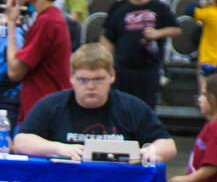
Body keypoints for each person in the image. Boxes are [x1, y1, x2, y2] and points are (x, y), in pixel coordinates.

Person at [12, 42, 176, 164]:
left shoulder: (132, 107)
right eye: (83, 80)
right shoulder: (51, 105)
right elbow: (21, 142)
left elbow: (168, 146)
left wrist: (148, 152)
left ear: (112, 76)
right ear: (71, 78)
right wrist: (60, 148)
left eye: (98, 79)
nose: (90, 86)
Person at [101, 0, 178, 109]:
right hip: (122, 68)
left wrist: (158, 33)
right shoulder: (118, 8)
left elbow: (176, 29)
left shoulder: (159, 7)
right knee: (121, 107)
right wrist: (105, 64)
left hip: (149, 69)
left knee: (146, 108)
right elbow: (107, 38)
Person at [5, 0, 71, 124]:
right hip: (45, 110)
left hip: (44, 115)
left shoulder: (48, 21)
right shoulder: (48, 18)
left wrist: (11, 25)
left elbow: (14, 71)